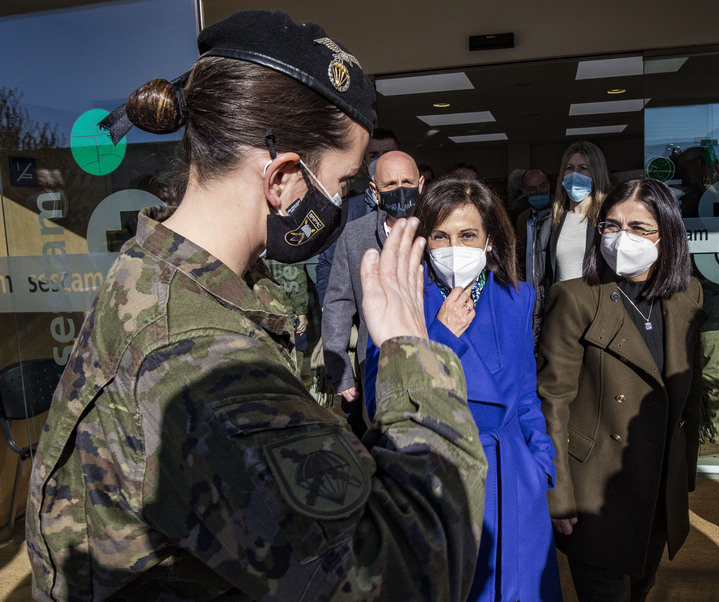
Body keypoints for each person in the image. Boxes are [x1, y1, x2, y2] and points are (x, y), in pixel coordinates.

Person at [25, 11, 487, 601]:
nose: (343, 203)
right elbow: (409, 575)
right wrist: (409, 351)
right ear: (285, 178)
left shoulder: (159, 274)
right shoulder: (196, 359)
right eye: (343, 184)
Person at [365, 177, 562, 602]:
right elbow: (376, 400)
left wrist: (540, 460)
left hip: (514, 476)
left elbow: (526, 391)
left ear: (489, 239)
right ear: (423, 241)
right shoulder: (399, 297)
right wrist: (442, 336)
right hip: (440, 474)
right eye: (441, 236)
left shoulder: (517, 297)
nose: (455, 247)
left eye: (467, 234)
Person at [538, 178, 705, 601]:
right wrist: (557, 493)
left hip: (658, 488)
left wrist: (685, 470)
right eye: (611, 226)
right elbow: (552, 401)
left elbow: (692, 392)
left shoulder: (687, 295)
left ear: (666, 235)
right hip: (597, 491)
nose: (621, 238)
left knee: (642, 588)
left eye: (638, 227)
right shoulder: (575, 299)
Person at [323, 150, 424, 437]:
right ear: (374, 190)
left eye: (407, 181)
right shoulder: (355, 236)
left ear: (421, 184)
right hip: (378, 369)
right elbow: (338, 303)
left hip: (435, 361)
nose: (400, 189)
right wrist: (340, 371)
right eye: (390, 185)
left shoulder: (440, 231)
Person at [315, 128, 400, 304]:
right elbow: (327, 264)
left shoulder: (416, 206)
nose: (381, 160)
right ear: (364, 164)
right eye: (374, 155)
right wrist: (330, 309)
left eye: (388, 153)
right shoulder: (345, 210)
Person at [546, 140, 612, 286]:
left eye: (583, 168)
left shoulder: (608, 219)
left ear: (596, 174)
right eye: (569, 168)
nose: (575, 174)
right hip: (563, 304)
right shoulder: (552, 220)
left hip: (596, 304)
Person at [514, 167, 553, 342]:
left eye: (543, 186)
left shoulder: (561, 214)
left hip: (552, 287)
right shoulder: (522, 218)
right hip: (530, 288)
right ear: (524, 192)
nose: (539, 192)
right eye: (532, 189)